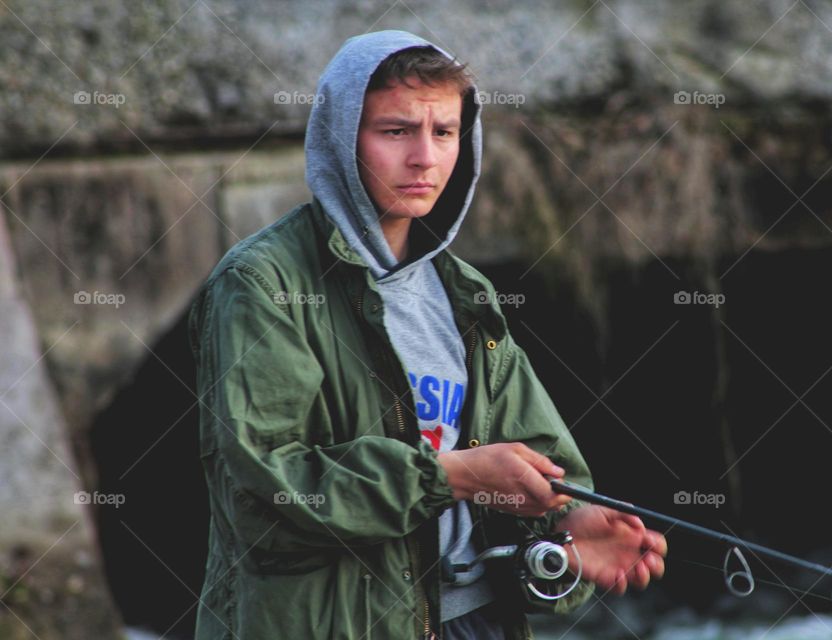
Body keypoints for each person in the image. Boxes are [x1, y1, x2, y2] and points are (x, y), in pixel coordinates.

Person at [188, 29, 666, 639]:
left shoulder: (467, 292)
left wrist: (567, 525)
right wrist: (454, 475)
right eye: (396, 131)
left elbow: (537, 460)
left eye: (444, 132)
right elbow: (267, 492)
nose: (424, 158)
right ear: (341, 137)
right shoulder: (262, 284)